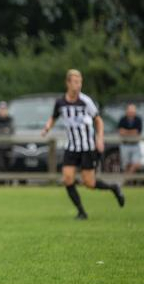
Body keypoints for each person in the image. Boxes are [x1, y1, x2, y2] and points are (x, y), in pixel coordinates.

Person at [41, 69, 124, 220]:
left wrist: (99, 138)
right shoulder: (61, 103)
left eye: (80, 82)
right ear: (68, 83)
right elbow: (53, 117)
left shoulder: (85, 101)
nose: (78, 85)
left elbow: (98, 120)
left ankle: (114, 188)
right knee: (67, 179)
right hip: (71, 147)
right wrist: (47, 127)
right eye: (75, 82)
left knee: (89, 183)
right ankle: (81, 212)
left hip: (87, 147)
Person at [118, 103, 142, 174]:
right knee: (126, 165)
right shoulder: (122, 119)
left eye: (133, 111)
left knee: (136, 164)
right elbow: (121, 132)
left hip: (135, 145)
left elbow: (137, 132)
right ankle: (128, 181)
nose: (131, 112)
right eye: (130, 111)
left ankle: (126, 179)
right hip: (125, 144)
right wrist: (132, 132)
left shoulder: (138, 119)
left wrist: (126, 132)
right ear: (127, 111)